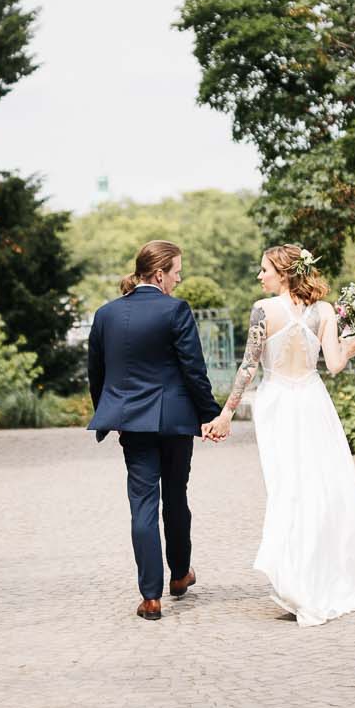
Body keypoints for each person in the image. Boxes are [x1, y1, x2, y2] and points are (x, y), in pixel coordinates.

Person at [204, 245, 355, 625]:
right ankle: (319, 574)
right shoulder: (323, 312)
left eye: (264, 270)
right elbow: (335, 365)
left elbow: (248, 368)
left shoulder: (263, 310)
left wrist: (226, 414)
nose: (260, 277)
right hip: (312, 401)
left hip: (278, 407)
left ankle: (298, 578)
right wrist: (350, 347)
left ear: (285, 273)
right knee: (320, 486)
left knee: (287, 488)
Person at [84, 240, 223, 621]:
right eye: (177, 271)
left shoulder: (106, 314)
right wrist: (210, 415)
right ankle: (179, 576)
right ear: (159, 274)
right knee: (175, 496)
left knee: (142, 505)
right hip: (175, 421)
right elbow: (193, 369)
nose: (179, 278)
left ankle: (150, 597)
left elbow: (96, 373)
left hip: (132, 422)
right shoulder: (175, 310)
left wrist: (111, 412)